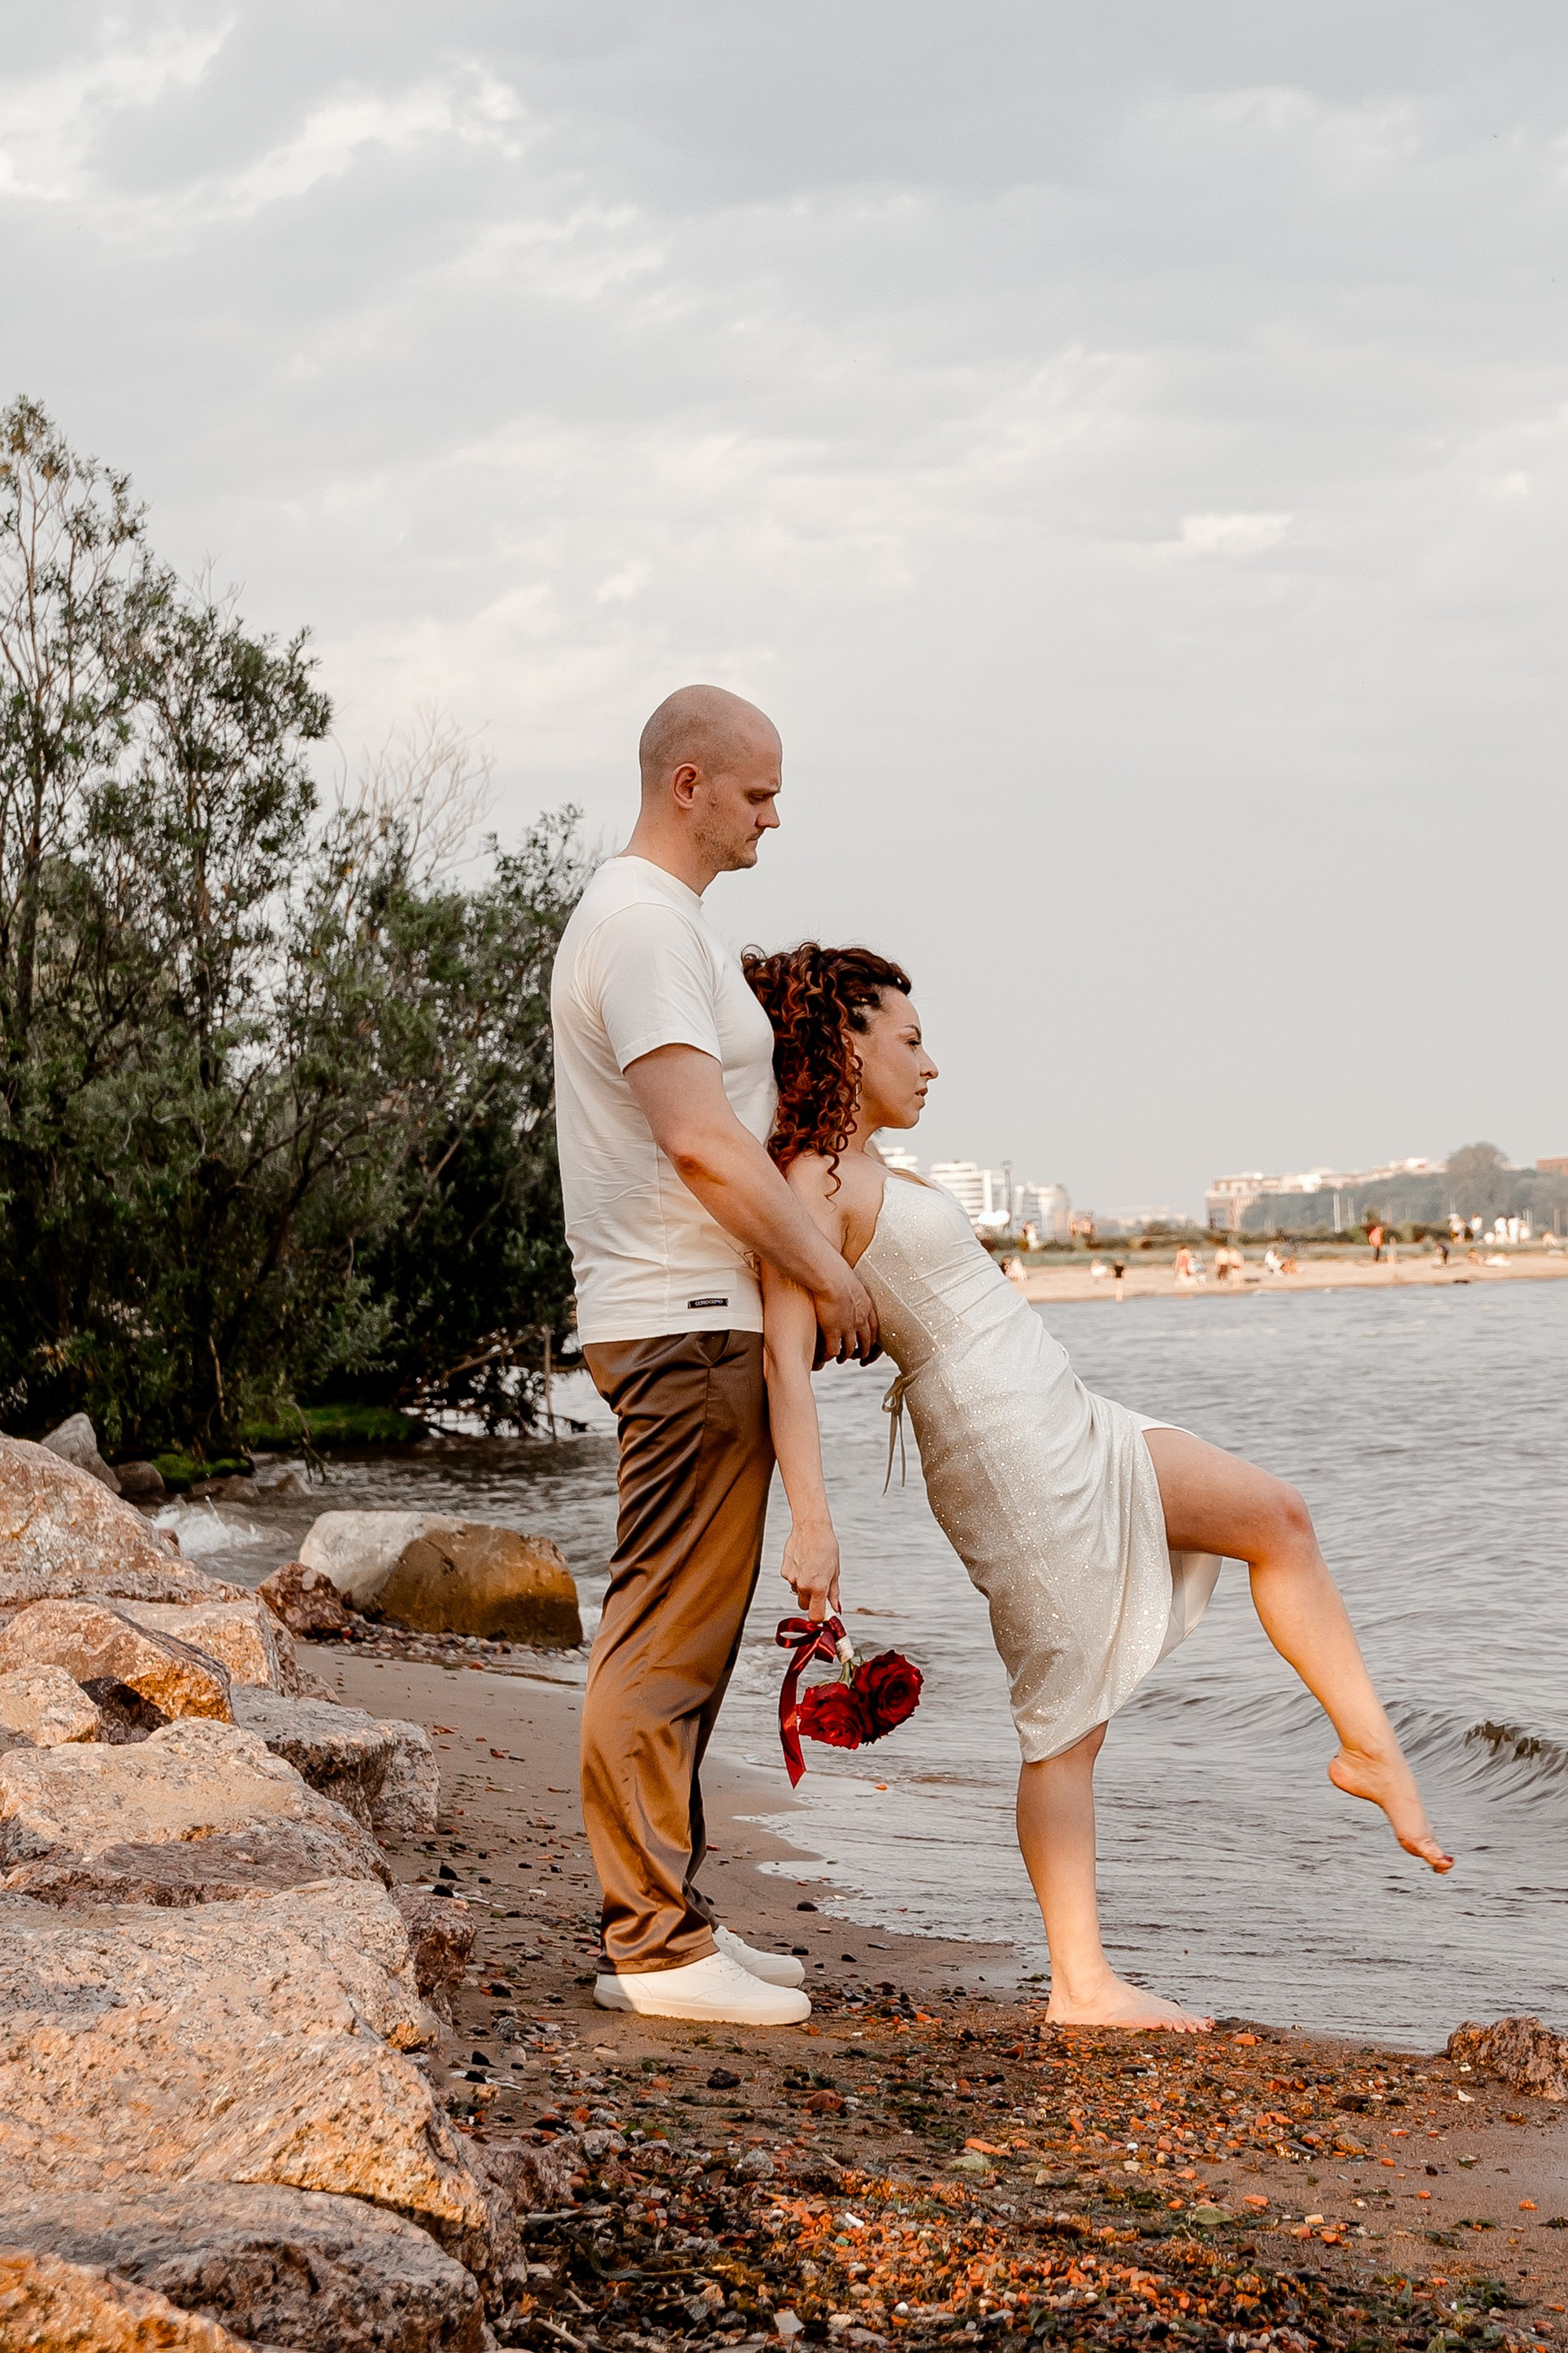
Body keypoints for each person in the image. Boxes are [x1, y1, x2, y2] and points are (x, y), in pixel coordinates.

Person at [745, 944, 1452, 2034]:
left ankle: (1370, 1751)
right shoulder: (808, 1182)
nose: (932, 1066)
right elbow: (783, 1360)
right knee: (1064, 1719)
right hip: (1005, 1449)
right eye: (912, 1040)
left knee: (1278, 1518)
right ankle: (1081, 1984)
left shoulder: (864, 1165)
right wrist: (814, 1524)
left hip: (1066, 1415)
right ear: (847, 1041)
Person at [549, 688, 880, 2028]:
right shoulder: (637, 924)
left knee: (693, 1634)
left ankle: (673, 1923)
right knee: (661, 1640)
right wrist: (827, 1267)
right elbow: (699, 1141)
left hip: (697, 1315)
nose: (775, 816)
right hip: (682, 1315)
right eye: (757, 794)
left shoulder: (665, 925)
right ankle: (655, 1949)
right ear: (688, 783)